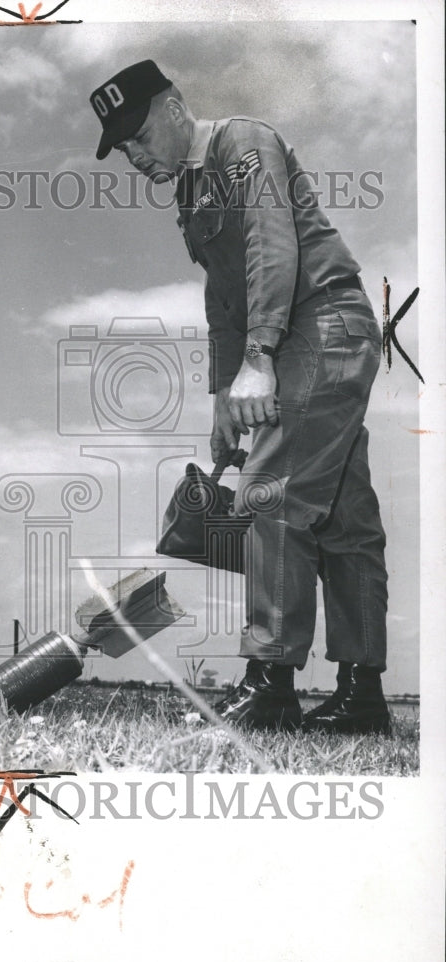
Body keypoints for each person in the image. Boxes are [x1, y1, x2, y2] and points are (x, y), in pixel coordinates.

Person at [88, 59, 391, 733]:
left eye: (138, 135)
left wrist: (260, 358)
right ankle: (362, 697)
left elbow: (271, 245)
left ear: (173, 109)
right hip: (287, 341)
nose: (134, 155)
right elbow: (222, 302)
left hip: (322, 323)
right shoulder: (190, 200)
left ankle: (270, 686)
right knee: (344, 522)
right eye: (123, 147)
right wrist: (224, 396)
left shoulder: (241, 144)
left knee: (267, 493)